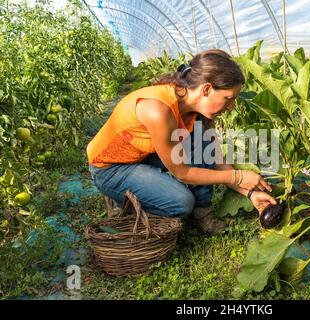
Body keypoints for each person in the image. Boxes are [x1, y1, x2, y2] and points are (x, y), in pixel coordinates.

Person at [87, 49, 276, 235]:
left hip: (142, 156)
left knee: (200, 143)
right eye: (228, 98)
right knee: (181, 202)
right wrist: (237, 177)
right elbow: (183, 172)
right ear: (207, 89)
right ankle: (124, 199)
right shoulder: (157, 111)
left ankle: (201, 213)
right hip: (111, 169)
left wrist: (250, 194)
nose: (230, 107)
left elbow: (215, 159)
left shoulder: (194, 111)